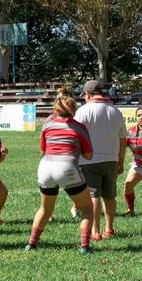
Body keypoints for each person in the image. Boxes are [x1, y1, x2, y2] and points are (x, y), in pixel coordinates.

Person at [25, 88, 95, 254]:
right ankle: (84, 247)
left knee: (44, 209)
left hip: (45, 167)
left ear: (56, 109)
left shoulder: (47, 125)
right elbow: (89, 155)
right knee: (87, 209)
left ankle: (31, 244)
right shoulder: (79, 127)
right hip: (67, 166)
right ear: (74, 110)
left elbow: (42, 150)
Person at [74, 80, 127, 240]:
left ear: (88, 94)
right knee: (110, 196)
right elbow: (123, 139)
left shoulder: (83, 111)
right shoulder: (115, 111)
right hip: (111, 159)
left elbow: (75, 136)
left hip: (88, 159)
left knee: (93, 195)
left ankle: (95, 232)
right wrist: (121, 160)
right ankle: (109, 229)